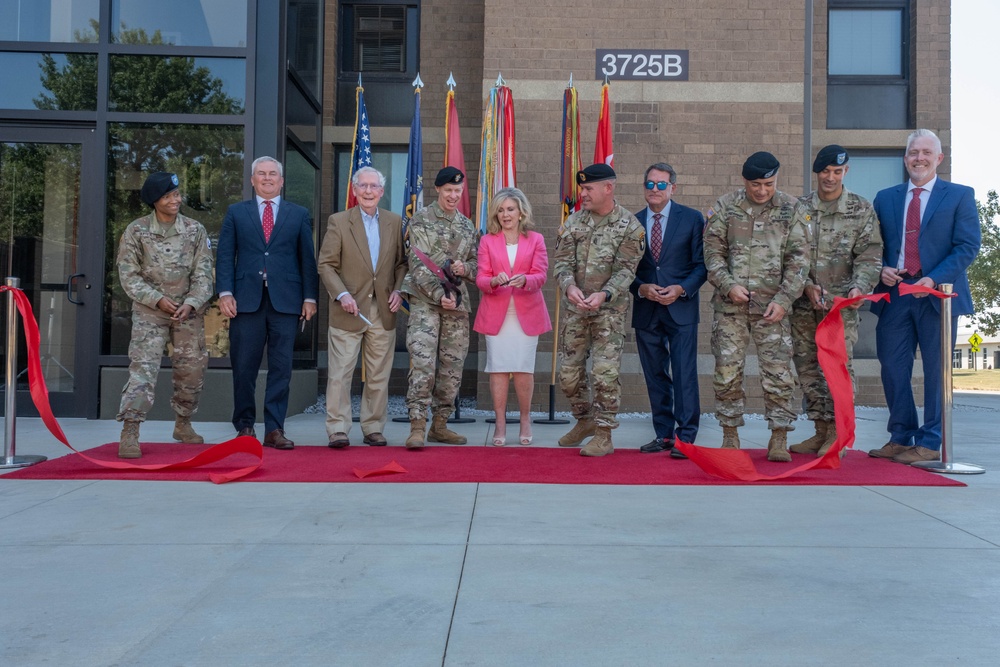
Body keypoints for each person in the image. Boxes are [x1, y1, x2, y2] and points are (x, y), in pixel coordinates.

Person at [867, 129, 980, 464]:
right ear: (905, 159)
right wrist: (882, 268)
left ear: (939, 158)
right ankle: (901, 437)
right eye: (913, 152)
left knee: (936, 372)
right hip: (896, 294)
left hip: (938, 297)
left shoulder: (959, 195)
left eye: (926, 153)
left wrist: (934, 277)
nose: (919, 158)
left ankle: (930, 442)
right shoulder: (885, 198)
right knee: (892, 367)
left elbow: (967, 246)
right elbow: (873, 246)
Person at [703, 151, 810, 462]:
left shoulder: (791, 209)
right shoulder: (725, 207)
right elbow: (712, 253)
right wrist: (728, 285)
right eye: (755, 185)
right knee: (726, 373)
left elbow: (799, 261)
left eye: (769, 184)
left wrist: (784, 299)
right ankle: (730, 435)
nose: (762, 191)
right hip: (730, 307)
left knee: (778, 374)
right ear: (744, 182)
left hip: (773, 309)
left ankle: (778, 438)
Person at [216, 156, 318, 450]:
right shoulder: (236, 213)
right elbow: (225, 255)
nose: (267, 178)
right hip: (245, 301)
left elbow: (306, 260)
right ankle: (245, 426)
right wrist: (224, 292)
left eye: (273, 174)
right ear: (252, 180)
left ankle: (274, 428)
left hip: (286, 302)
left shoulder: (298, 214)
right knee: (244, 367)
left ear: (282, 181)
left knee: (281, 368)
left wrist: (309, 297)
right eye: (261, 174)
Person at [789, 146, 882, 457]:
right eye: (826, 171)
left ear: (846, 172)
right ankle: (819, 431)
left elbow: (869, 256)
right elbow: (787, 255)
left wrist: (859, 288)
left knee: (837, 370)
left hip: (841, 307)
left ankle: (837, 435)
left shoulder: (860, 209)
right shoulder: (799, 208)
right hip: (805, 305)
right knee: (808, 368)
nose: (831, 177)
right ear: (817, 172)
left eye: (837, 172)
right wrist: (803, 287)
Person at [115, 172, 214, 459]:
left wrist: (193, 302)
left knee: (191, 371)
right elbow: (128, 275)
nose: (176, 200)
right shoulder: (137, 231)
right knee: (143, 371)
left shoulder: (195, 230)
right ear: (155, 201)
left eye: (177, 195)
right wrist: (157, 299)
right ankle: (130, 429)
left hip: (187, 314)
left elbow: (204, 273)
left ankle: (183, 423)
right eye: (169, 196)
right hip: (150, 313)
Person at [553, 163, 646, 457]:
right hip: (576, 310)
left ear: (608, 188)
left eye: (588, 188)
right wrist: (569, 286)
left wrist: (604, 294)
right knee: (568, 375)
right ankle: (584, 421)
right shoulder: (573, 222)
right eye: (582, 188)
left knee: (605, 374)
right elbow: (562, 263)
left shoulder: (630, 227)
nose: (583, 194)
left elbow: (626, 270)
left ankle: (604, 434)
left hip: (609, 313)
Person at [317, 166, 406, 448]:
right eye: (363, 186)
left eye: (374, 187)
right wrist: (341, 294)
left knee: (379, 375)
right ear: (354, 191)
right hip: (348, 309)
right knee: (340, 373)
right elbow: (326, 264)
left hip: (383, 310)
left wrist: (400, 290)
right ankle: (338, 429)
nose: (368, 191)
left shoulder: (394, 221)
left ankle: (373, 427)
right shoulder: (339, 221)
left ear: (381, 192)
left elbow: (402, 264)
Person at [630, 162, 707, 460]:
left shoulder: (691, 219)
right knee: (655, 375)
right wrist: (642, 287)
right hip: (647, 308)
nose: (655, 190)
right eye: (650, 184)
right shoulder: (632, 222)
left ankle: (685, 438)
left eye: (661, 184)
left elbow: (701, 265)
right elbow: (624, 270)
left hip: (681, 308)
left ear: (673, 187)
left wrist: (681, 289)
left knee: (685, 373)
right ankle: (663, 434)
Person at [401, 166, 478, 449]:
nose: (454, 196)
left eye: (458, 191)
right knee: (423, 364)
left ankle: (440, 425)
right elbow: (417, 265)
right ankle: (417, 426)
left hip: (456, 305)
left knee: (452, 368)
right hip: (426, 303)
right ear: (438, 190)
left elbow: (478, 264)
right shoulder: (420, 220)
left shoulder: (467, 225)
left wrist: (465, 267)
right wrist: (438, 294)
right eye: (449, 191)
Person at [474, 187, 552, 446]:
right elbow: (481, 278)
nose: (505, 214)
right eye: (500, 209)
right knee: (497, 368)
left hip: (526, 313)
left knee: (522, 369)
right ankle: (499, 423)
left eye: (510, 209)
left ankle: (525, 419)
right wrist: (494, 280)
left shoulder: (536, 239)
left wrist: (526, 280)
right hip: (497, 314)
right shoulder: (487, 241)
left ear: (521, 212)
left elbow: (541, 275)